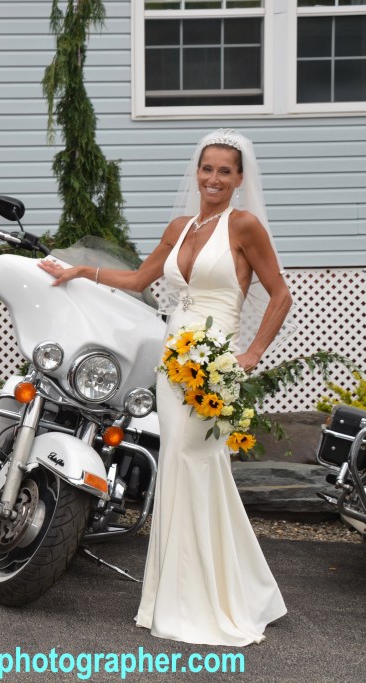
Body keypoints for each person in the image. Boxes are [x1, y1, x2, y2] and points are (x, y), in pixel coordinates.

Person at [38, 129, 292, 646]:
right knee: (180, 466)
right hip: (173, 361)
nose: (214, 178)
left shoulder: (244, 226)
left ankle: (207, 598)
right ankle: (196, 591)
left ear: (239, 178)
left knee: (193, 463)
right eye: (207, 168)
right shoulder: (179, 227)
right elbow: (139, 281)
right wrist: (80, 271)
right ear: (197, 172)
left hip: (212, 366)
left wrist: (251, 355)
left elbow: (280, 295)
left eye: (225, 171)